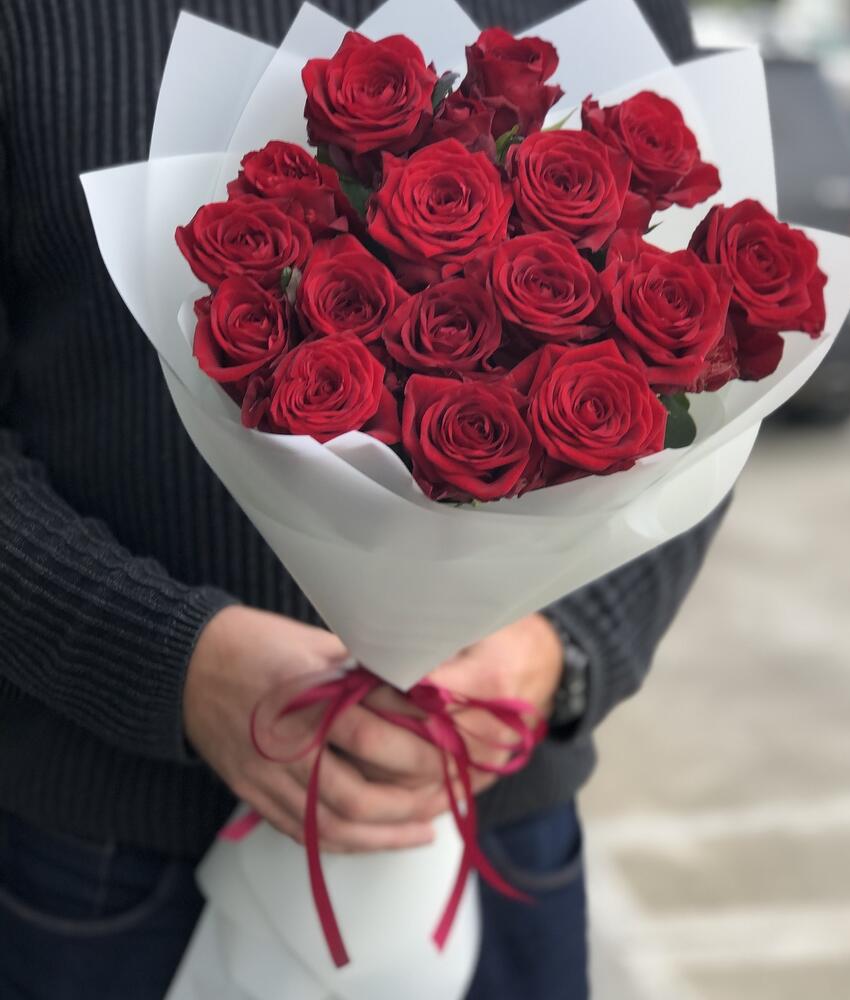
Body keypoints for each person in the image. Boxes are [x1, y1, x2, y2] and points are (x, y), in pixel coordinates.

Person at [0, 1, 726, 997]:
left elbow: (705, 393)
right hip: (107, 851)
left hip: (491, 832)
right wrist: (169, 660)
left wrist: (560, 649)